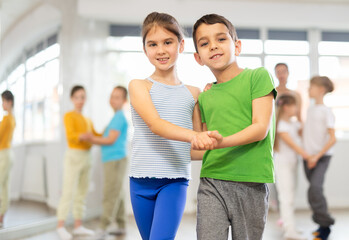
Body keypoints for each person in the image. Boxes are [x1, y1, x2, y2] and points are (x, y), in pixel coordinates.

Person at [128, 12, 221, 240]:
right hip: (139, 182)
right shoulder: (139, 86)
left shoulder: (194, 94)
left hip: (174, 181)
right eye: (153, 44)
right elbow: (156, 125)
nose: (160, 50)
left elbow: (196, 146)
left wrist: (213, 99)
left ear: (181, 45)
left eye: (168, 42)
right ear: (145, 49)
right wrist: (194, 137)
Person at [192, 14, 276, 240]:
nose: (213, 46)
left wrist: (221, 143)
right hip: (212, 180)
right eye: (204, 43)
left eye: (221, 39)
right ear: (198, 57)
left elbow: (260, 128)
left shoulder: (258, 77)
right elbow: (200, 145)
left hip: (251, 182)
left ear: (236, 46)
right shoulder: (204, 97)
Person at [56, 85, 102, 240]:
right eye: (77, 97)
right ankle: (60, 226)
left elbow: (96, 136)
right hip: (73, 156)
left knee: (82, 192)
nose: (80, 100)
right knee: (67, 191)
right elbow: (72, 136)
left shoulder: (87, 120)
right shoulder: (69, 116)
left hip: (87, 157)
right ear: (71, 99)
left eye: (82, 97)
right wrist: (85, 136)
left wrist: (110, 131)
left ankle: (78, 226)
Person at [84, 86, 129, 236]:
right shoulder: (115, 116)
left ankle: (103, 227)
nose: (113, 100)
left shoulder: (119, 117)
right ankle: (122, 225)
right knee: (117, 193)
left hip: (115, 160)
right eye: (112, 96)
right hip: (113, 159)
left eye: (117, 97)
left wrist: (90, 139)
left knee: (110, 193)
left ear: (124, 101)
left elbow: (110, 140)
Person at [303, 76, 336, 240]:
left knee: (315, 189)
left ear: (321, 90)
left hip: (321, 158)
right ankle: (321, 224)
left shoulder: (326, 111)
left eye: (312, 87)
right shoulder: (310, 109)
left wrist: (317, 156)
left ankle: (326, 225)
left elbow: (332, 139)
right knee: (313, 192)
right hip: (308, 158)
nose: (309, 89)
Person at [274, 94, 308, 240]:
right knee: (286, 198)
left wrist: (299, 115)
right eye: (295, 105)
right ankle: (289, 231)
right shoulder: (281, 125)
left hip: (292, 164)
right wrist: (310, 157)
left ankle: (291, 226)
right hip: (282, 165)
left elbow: (303, 131)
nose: (297, 108)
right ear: (286, 107)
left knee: (291, 197)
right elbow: (294, 146)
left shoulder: (293, 124)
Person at [0, 90, 16, 228]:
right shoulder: (13, 118)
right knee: (5, 187)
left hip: (4, 154)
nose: (2, 104)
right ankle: (1, 216)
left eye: (3, 101)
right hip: (9, 153)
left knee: (2, 185)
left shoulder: (6, 119)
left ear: (9, 102)